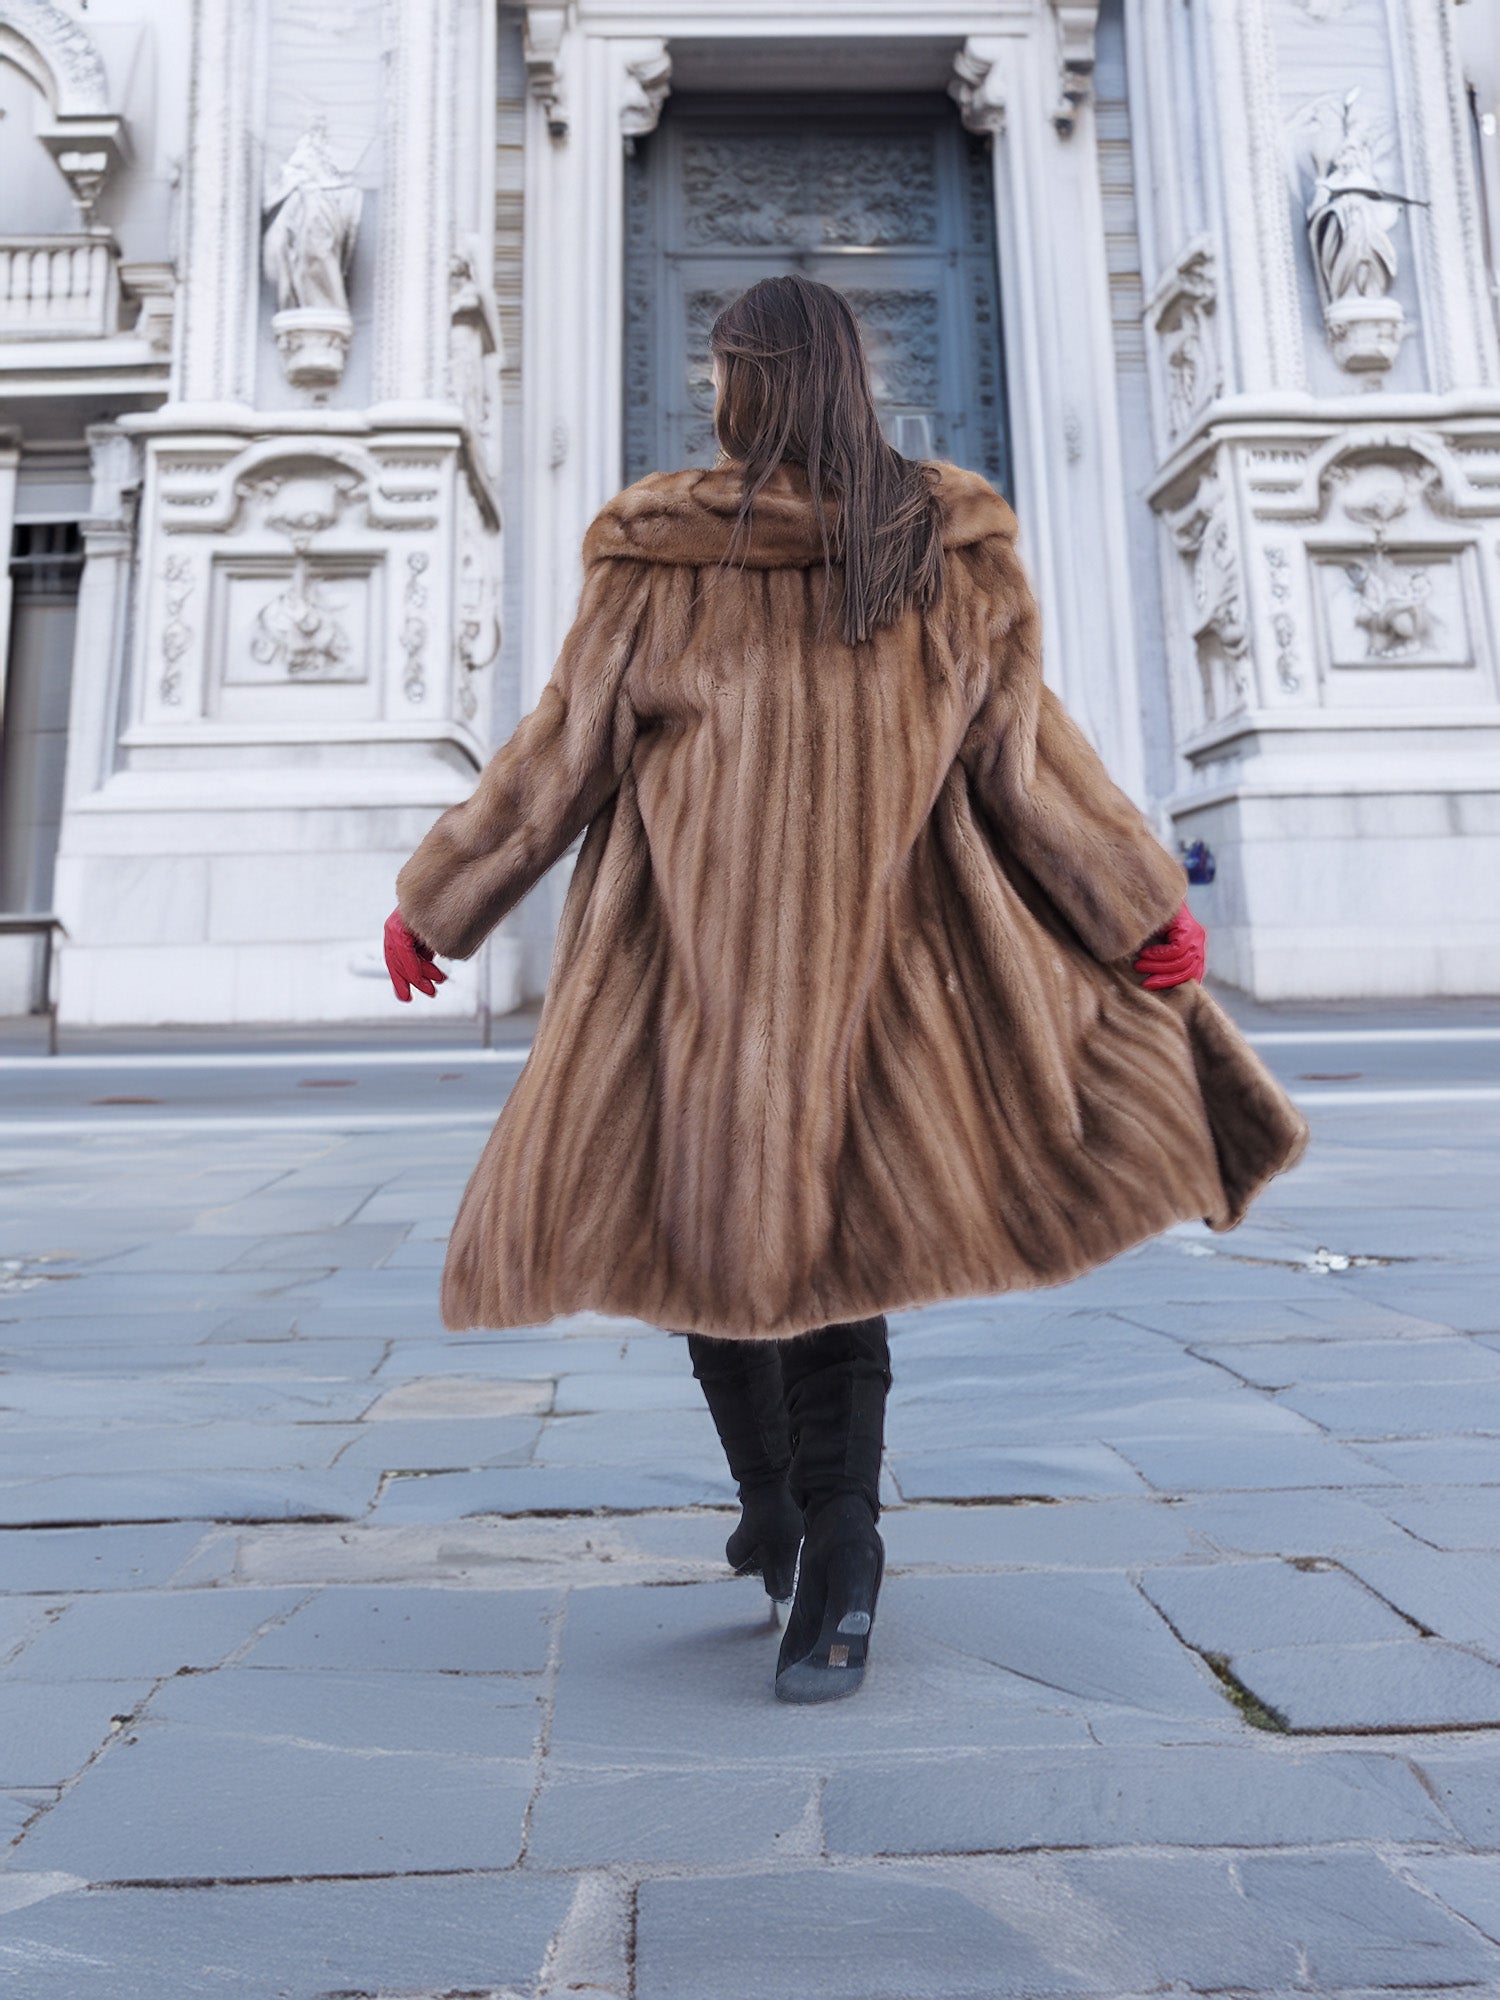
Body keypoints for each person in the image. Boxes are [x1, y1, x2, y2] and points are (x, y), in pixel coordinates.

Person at [383, 275, 1307, 1704]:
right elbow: (1031, 768)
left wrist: (436, 904)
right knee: (825, 1257)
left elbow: (561, 753)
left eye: (719, 369)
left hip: (687, 970)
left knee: (711, 1238)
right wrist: (1141, 909)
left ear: (744, 381)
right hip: (876, 967)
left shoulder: (662, 552)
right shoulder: (938, 548)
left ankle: (803, 1517)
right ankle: (819, 1532)